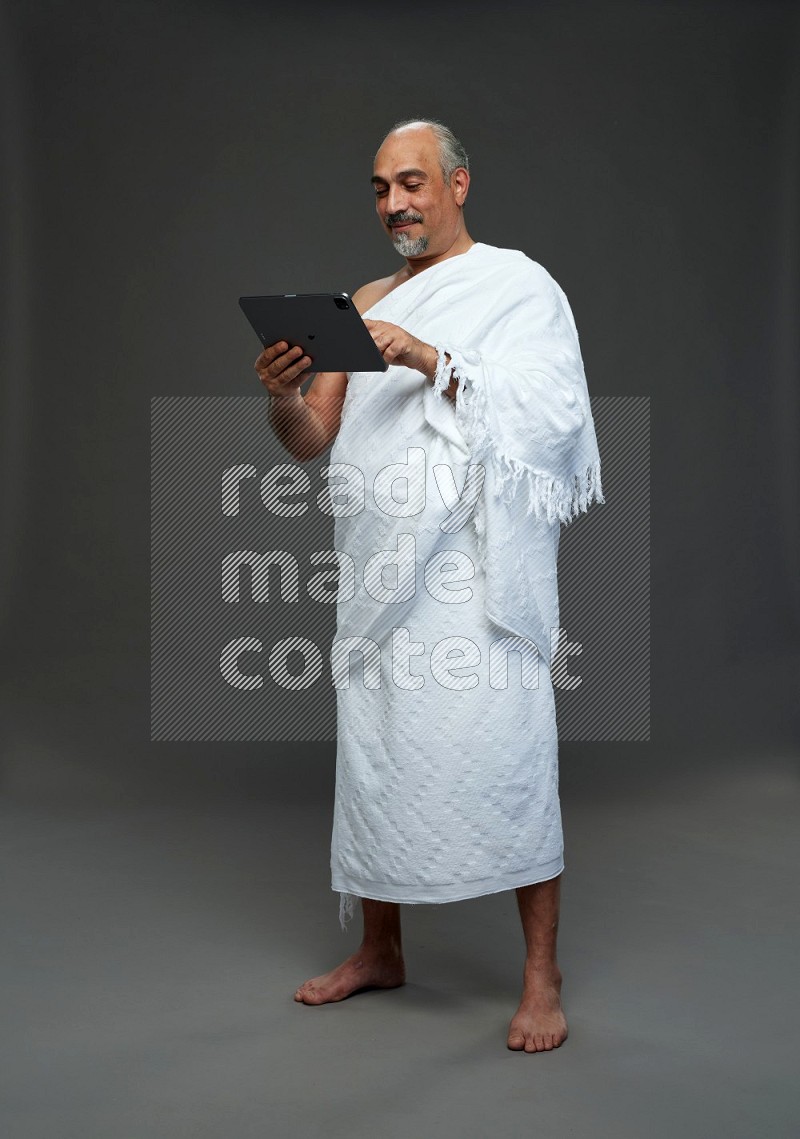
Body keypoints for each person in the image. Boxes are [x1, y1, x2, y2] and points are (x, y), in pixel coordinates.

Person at [255, 118, 604, 1053]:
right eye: (378, 188)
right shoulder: (357, 300)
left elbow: (555, 415)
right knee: (378, 753)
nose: (394, 204)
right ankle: (380, 949)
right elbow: (311, 442)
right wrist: (285, 392)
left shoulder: (517, 286)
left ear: (457, 184)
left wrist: (427, 356)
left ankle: (542, 975)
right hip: (376, 567)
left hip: (471, 571)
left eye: (411, 183)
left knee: (508, 755)